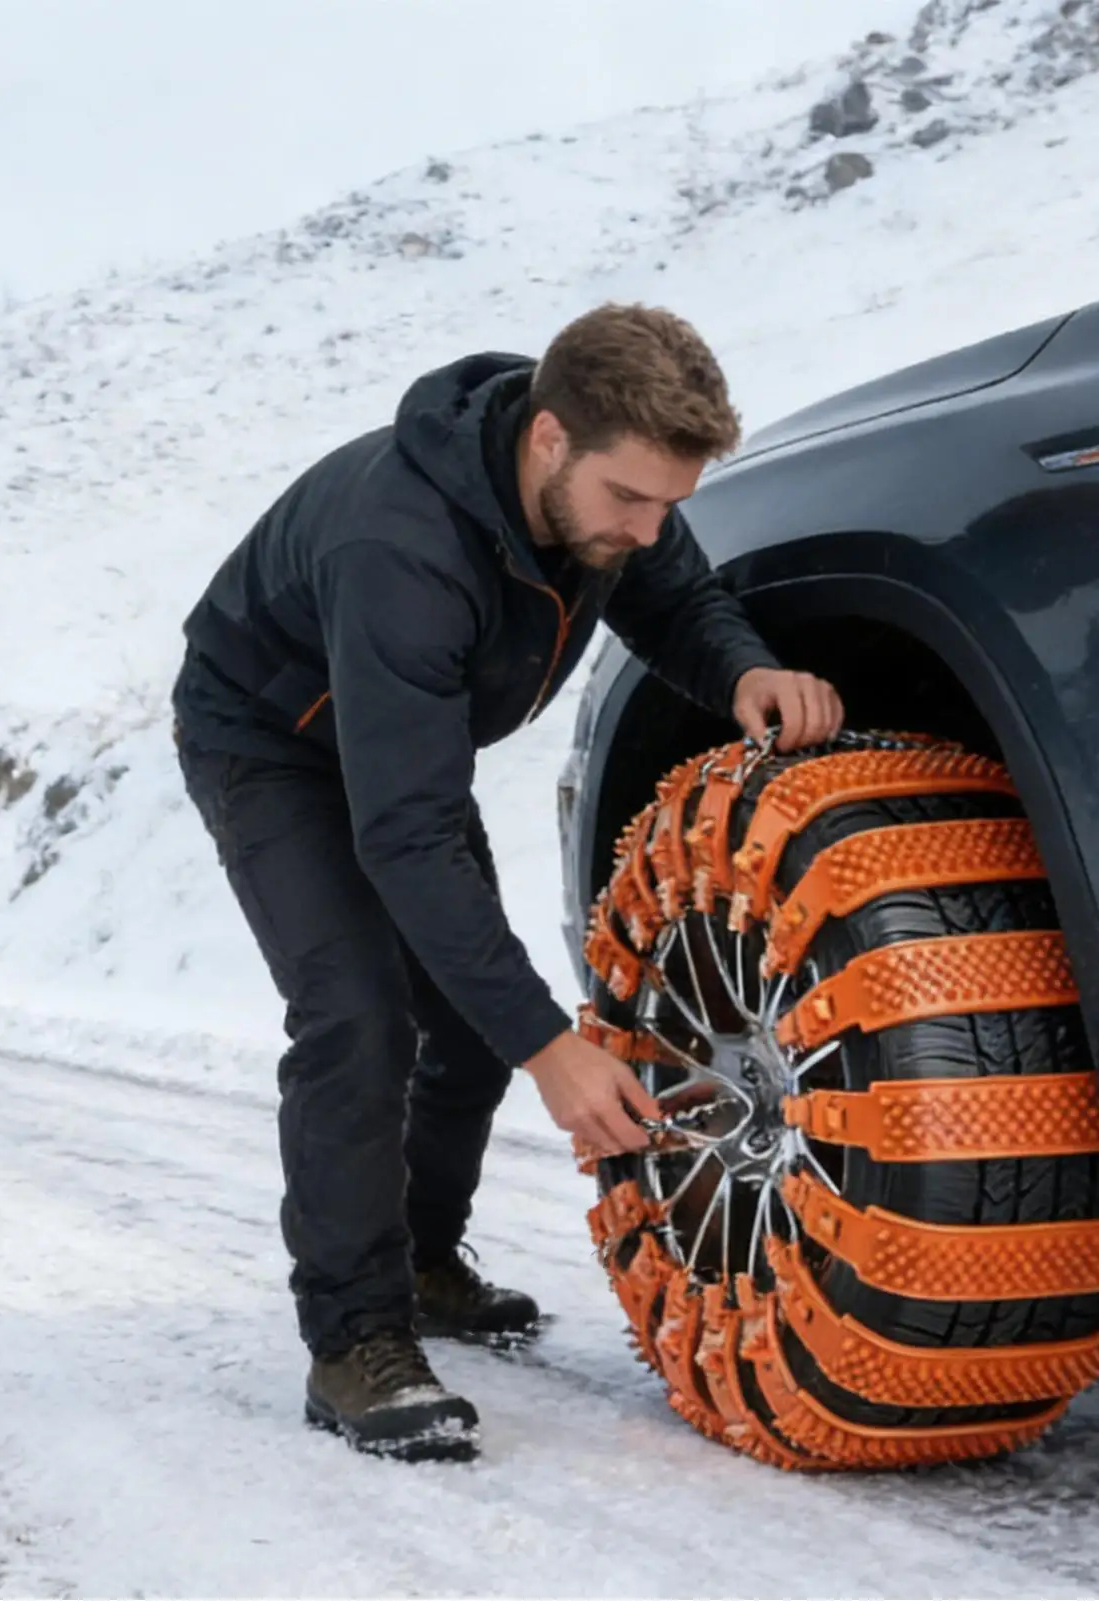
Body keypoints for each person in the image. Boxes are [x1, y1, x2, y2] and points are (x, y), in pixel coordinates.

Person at [170, 302, 844, 1462]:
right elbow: (405, 839)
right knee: (359, 1016)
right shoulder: (399, 548)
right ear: (547, 441)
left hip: (398, 756)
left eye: (666, 505)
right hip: (269, 742)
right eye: (627, 499)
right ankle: (355, 1342)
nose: (644, 528)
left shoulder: (600, 498)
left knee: (467, 1026)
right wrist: (554, 1044)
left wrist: (743, 671)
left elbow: (676, 601)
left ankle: (423, 1259)